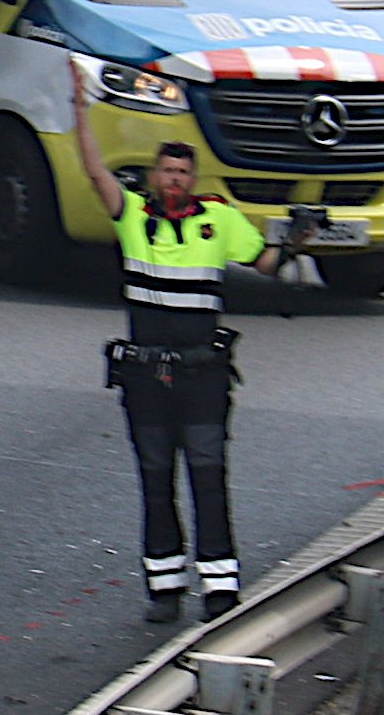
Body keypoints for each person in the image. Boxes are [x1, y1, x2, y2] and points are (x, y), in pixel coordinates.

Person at [108, 139, 286, 624]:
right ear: (154, 176)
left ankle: (219, 586)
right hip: (146, 376)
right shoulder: (132, 216)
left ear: (193, 178)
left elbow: (263, 262)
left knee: (208, 475)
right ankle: (165, 587)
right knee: (155, 476)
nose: (174, 179)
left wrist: (293, 238)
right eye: (166, 170)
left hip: (202, 374)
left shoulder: (219, 219)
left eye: (183, 172)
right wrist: (78, 112)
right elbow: (93, 175)